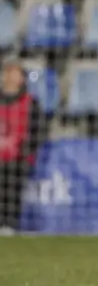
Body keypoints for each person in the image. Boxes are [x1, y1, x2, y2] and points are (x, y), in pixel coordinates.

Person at [0, 59, 47, 234]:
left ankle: (9, 225)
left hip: (18, 158)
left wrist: (28, 150)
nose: (16, 77)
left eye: (19, 73)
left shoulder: (30, 102)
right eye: (12, 72)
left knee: (12, 190)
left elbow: (39, 129)